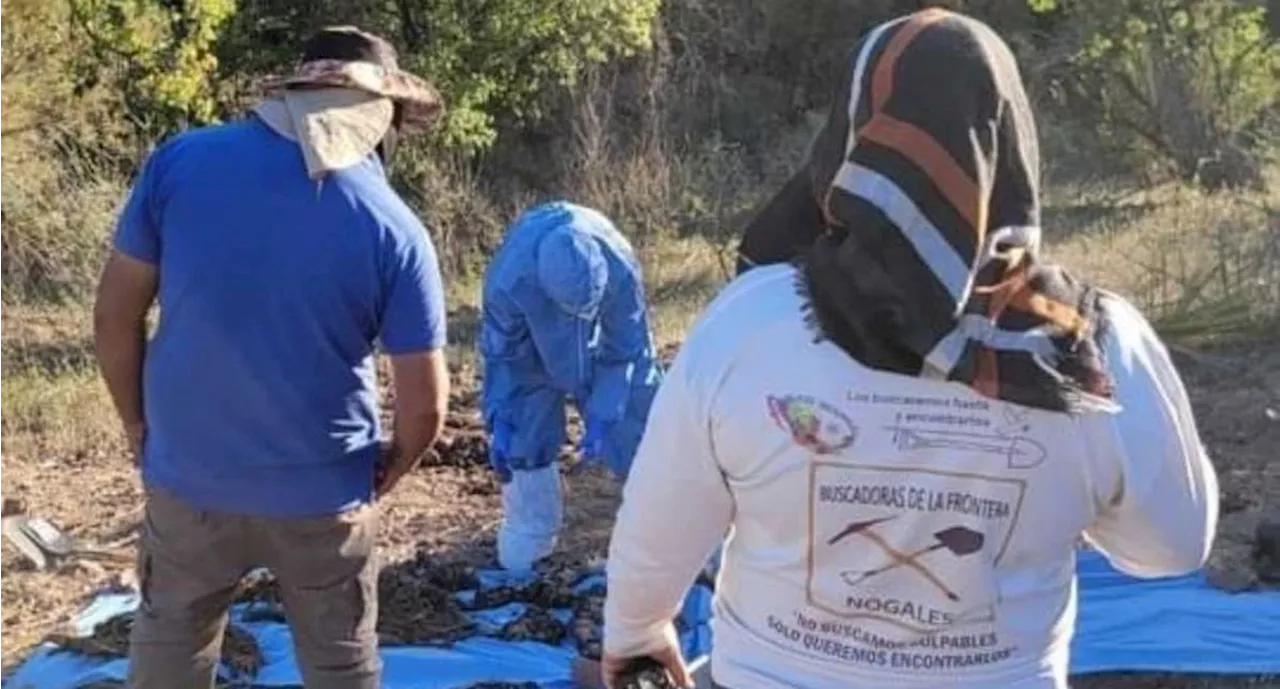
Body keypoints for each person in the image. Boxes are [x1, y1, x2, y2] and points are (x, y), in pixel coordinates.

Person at [601, 9, 1219, 689]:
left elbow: (661, 521)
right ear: (1012, 142)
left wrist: (635, 630)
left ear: (852, 139)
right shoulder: (1095, 347)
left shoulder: (750, 322)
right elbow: (1174, 545)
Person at [92, 27, 449, 689]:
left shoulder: (181, 162)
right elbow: (424, 409)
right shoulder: (395, 228)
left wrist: (140, 429)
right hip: (324, 490)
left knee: (170, 647)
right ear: (383, 119)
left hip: (190, 474)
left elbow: (113, 316)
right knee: (341, 662)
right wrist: (382, 474)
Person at [479, 201, 662, 573]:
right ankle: (527, 550)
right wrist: (502, 416)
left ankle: (667, 532)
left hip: (601, 349)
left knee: (641, 422)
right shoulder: (508, 282)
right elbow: (506, 360)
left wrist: (606, 412)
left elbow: (627, 346)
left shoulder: (619, 265)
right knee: (524, 434)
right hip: (532, 349)